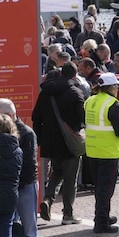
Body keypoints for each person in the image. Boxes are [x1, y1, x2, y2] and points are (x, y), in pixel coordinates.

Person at [0, 98, 41, 237]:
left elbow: (28, 165)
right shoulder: (0, 134)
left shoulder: (26, 133)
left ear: (10, 115)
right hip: (10, 188)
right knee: (10, 230)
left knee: (30, 231)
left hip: (25, 186)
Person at [32, 63, 85, 224]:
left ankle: (47, 199)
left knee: (57, 173)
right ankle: (68, 214)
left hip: (50, 142)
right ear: (74, 76)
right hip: (69, 143)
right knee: (70, 179)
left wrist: (41, 139)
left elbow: (36, 117)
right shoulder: (76, 93)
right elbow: (81, 120)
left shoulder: (45, 92)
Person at [84, 73, 119, 234]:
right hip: (108, 152)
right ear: (110, 87)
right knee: (106, 190)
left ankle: (103, 216)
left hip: (92, 149)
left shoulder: (90, 101)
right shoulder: (114, 105)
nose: (118, 88)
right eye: (116, 86)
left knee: (99, 188)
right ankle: (101, 222)